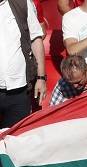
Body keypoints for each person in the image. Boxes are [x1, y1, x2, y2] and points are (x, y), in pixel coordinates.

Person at [0, 0, 46, 128]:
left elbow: (36, 39)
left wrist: (41, 78)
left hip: (19, 90)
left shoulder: (23, 3)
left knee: (15, 141)